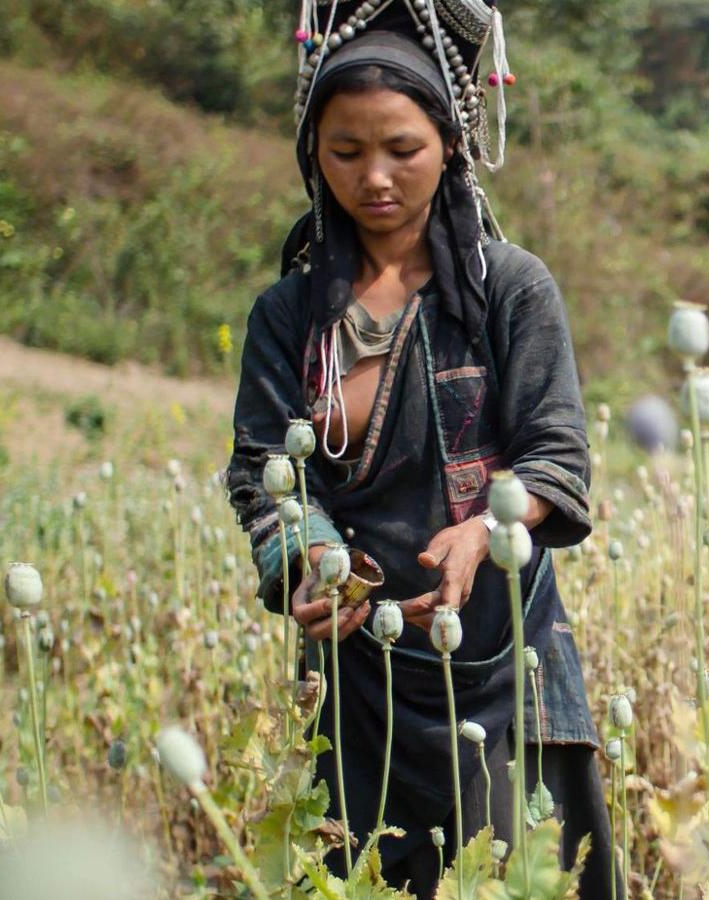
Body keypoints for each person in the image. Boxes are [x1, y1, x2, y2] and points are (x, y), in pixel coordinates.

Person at [223, 5, 611, 897]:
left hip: (503, 659)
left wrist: (485, 530)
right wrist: (311, 555)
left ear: (449, 141)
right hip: (354, 672)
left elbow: (557, 456)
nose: (377, 177)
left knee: (520, 876)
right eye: (347, 152)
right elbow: (262, 470)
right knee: (355, 876)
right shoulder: (288, 317)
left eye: (403, 147)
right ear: (312, 153)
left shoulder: (509, 290)